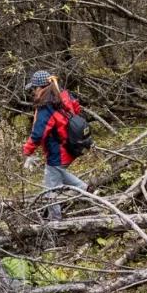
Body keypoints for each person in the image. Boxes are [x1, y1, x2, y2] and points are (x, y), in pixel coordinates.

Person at [22, 70, 89, 221]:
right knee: (58, 172)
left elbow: (38, 134)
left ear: (41, 87)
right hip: (72, 146)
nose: (33, 92)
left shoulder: (46, 107)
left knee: (50, 189)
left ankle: (55, 221)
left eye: (34, 88)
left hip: (57, 152)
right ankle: (84, 189)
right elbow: (77, 109)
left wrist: (27, 152)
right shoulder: (64, 94)